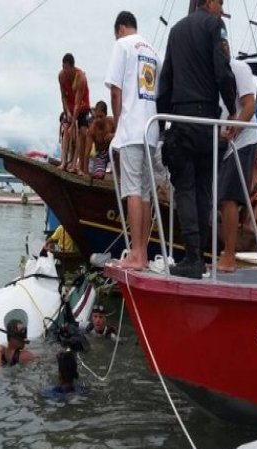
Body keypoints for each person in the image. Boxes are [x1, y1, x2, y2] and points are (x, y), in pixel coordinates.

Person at [158, 0, 237, 278]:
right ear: (210, 2)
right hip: (207, 121)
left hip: (181, 119)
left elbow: (165, 79)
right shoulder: (215, 25)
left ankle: (192, 257)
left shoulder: (176, 31)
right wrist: (233, 110)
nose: (222, 7)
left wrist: (162, 123)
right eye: (221, 2)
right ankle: (199, 258)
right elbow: (222, 70)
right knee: (203, 188)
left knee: (186, 189)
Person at [105, 10, 160, 270]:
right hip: (151, 130)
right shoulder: (152, 50)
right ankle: (145, 254)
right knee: (146, 192)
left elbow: (116, 91)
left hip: (131, 128)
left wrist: (117, 124)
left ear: (120, 28)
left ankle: (136, 253)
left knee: (132, 190)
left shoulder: (122, 45)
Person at [216, 53, 257, 273]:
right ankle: (221, 251)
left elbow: (250, 106)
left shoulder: (239, 68)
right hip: (221, 143)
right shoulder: (209, 69)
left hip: (241, 141)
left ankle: (229, 255)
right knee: (219, 198)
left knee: (228, 197)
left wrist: (235, 129)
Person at [58, 53, 91, 175]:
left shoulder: (81, 77)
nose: (64, 70)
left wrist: (73, 123)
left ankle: (76, 164)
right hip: (70, 107)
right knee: (66, 128)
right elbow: (63, 97)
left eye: (66, 68)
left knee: (81, 132)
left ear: (72, 67)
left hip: (82, 106)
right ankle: (63, 162)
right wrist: (67, 112)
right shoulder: (61, 76)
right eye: (63, 67)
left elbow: (78, 104)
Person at [83, 101, 116, 179]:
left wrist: (113, 135)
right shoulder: (92, 130)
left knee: (120, 154)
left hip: (113, 151)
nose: (98, 120)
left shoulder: (112, 122)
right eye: (96, 117)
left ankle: (118, 175)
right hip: (101, 155)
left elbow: (123, 134)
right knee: (98, 175)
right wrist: (86, 172)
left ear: (106, 114)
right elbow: (87, 152)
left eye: (101, 117)